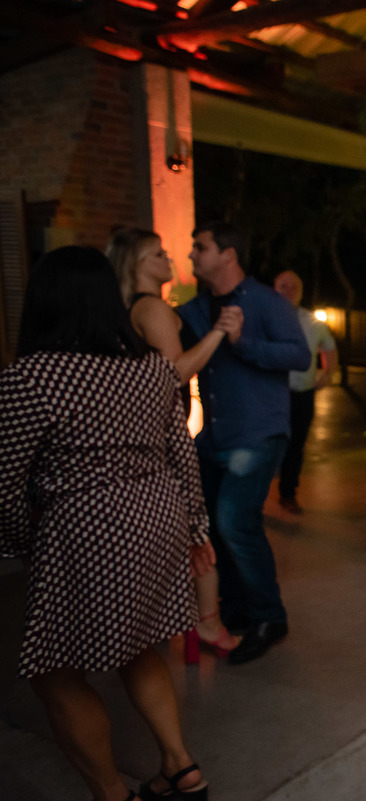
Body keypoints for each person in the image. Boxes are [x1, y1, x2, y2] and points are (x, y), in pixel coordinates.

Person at [0, 246, 213, 801]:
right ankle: (182, 768)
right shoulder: (150, 368)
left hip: (87, 525)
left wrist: (23, 544)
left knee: (53, 670)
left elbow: (4, 480)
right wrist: (196, 530)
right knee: (138, 647)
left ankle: (111, 793)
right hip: (158, 514)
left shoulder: (32, 377)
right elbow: (180, 451)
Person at [106, 227, 243, 661]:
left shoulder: (128, 309)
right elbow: (176, 373)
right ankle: (206, 621)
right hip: (164, 432)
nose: (169, 258)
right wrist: (220, 332)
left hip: (141, 431)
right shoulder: (153, 310)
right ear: (137, 266)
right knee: (196, 528)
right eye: (157, 254)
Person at [177, 221, 310, 665]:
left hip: (258, 432)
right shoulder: (195, 308)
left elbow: (298, 355)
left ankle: (269, 617)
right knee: (211, 525)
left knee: (235, 521)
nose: (192, 254)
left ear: (228, 254)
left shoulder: (266, 302)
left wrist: (242, 340)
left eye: (201, 247)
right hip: (214, 434)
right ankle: (234, 609)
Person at [273, 270, 339, 515]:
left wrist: (328, 372)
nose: (288, 290)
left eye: (294, 286)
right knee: (269, 446)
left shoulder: (312, 322)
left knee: (296, 446)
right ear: (274, 289)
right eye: (283, 285)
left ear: (301, 291)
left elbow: (329, 347)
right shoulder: (263, 319)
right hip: (271, 396)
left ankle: (288, 493)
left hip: (302, 394)